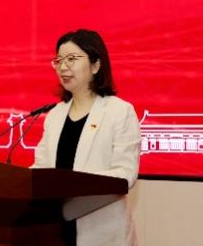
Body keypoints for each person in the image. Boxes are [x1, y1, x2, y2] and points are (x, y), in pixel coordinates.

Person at [32, 29, 140, 246]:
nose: (63, 67)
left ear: (95, 65)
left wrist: (75, 184)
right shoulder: (55, 115)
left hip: (101, 230)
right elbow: (41, 167)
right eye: (59, 60)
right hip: (54, 230)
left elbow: (125, 173)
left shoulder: (119, 111)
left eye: (72, 59)